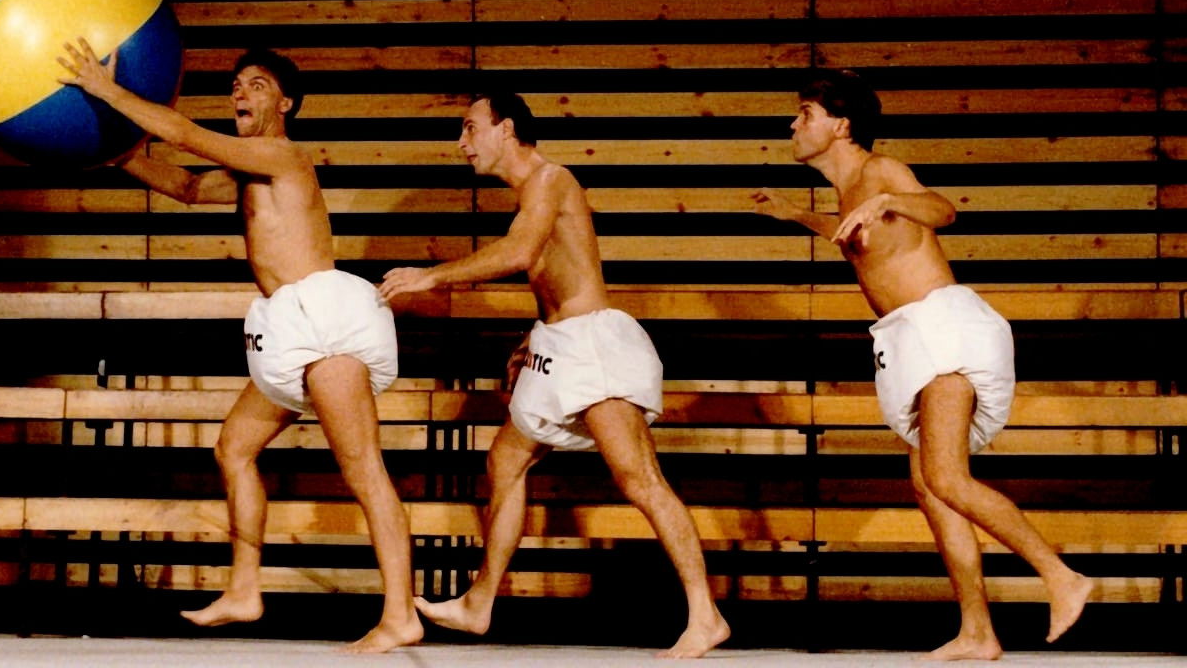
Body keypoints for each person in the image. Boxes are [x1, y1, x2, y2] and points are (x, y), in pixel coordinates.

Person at [57, 40, 422, 653]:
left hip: (326, 326)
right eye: (236, 85)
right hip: (288, 328)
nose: (240, 93)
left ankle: (400, 615)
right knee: (233, 449)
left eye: (257, 85)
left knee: (364, 470)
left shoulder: (283, 155)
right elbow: (186, 186)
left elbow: (184, 135)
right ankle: (245, 590)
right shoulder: (250, 170)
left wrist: (106, 89)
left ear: (286, 103)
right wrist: (117, 156)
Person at [752, 69, 1093, 660]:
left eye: (805, 113)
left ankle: (1061, 576)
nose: (793, 124)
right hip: (915, 336)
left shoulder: (880, 172)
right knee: (932, 488)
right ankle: (977, 631)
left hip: (944, 328)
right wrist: (794, 215)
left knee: (946, 478)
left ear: (841, 125)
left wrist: (889, 199)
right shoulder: (849, 192)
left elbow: (943, 210)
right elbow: (851, 236)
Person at [378, 93, 730, 659]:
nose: (462, 143)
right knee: (505, 460)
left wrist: (431, 277)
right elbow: (555, 271)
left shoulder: (552, 179)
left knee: (638, 478)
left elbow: (520, 252)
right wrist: (533, 337)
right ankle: (479, 602)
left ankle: (705, 615)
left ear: (506, 129)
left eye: (470, 128)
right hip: (558, 342)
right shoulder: (533, 193)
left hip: (593, 347)